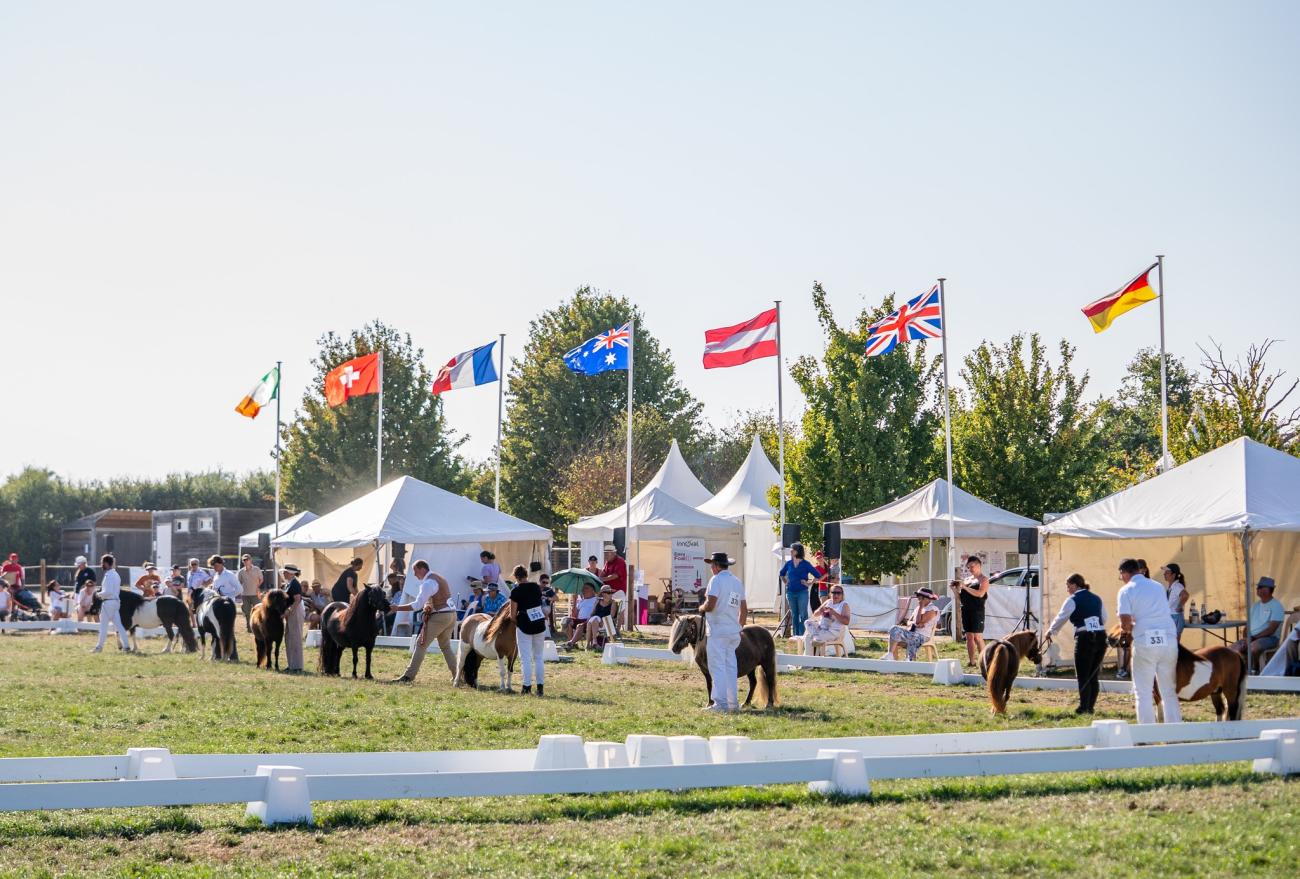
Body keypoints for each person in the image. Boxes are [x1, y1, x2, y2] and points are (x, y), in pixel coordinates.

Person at [1117, 557, 1181, 724]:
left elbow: (1125, 622)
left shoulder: (1125, 590)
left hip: (1145, 640)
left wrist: (1126, 628)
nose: (1121, 578)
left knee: (1143, 692)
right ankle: (1176, 732)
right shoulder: (1158, 585)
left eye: (1121, 575)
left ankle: (1146, 734)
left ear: (1124, 573)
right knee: (1169, 691)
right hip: (1168, 638)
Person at [1044, 573, 1108, 715]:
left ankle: (1084, 707)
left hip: (1085, 637)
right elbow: (1104, 618)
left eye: (1068, 586)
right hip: (1101, 636)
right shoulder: (1097, 598)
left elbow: (1062, 617)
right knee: (1093, 674)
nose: (1067, 589)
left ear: (1074, 585)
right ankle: (1090, 706)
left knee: (1083, 674)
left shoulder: (1073, 599)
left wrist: (1050, 631)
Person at [391, 560, 456, 684]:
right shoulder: (438, 577)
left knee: (421, 644)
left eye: (415, 571)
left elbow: (417, 605)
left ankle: (408, 676)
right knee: (446, 647)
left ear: (422, 569)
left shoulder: (428, 583)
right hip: (451, 615)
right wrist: (428, 606)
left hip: (440, 616)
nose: (415, 575)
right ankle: (458, 675)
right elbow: (433, 600)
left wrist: (398, 608)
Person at [701, 552, 747, 713]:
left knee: (717, 666)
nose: (711, 568)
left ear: (717, 566)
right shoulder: (737, 582)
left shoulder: (716, 580)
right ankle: (732, 703)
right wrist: (739, 627)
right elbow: (744, 609)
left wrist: (701, 607)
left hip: (718, 630)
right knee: (730, 667)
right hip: (733, 631)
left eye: (712, 565)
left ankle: (720, 703)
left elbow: (711, 604)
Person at [506, 564, 547, 696]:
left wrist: (518, 622)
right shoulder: (536, 587)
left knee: (525, 658)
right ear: (526, 575)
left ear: (516, 577)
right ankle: (540, 687)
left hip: (524, 625)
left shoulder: (516, 591)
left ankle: (526, 686)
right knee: (539, 657)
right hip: (539, 623)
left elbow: (512, 615)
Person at [1232, 576, 1285, 672]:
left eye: (1260, 587)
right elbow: (1247, 626)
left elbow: (1271, 630)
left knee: (1252, 648)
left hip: (1270, 638)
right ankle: (1237, 672)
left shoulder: (1277, 606)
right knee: (1233, 648)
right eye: (1258, 587)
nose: (1257, 589)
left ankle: (1253, 671)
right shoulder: (1255, 606)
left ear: (1268, 590)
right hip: (1252, 637)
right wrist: (1245, 637)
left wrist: (1252, 638)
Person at [954, 556, 990, 667]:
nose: (970, 569)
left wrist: (964, 587)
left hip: (977, 611)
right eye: (968, 567)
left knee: (978, 637)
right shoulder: (967, 580)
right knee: (969, 636)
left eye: (972, 566)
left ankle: (984, 661)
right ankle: (972, 661)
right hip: (966, 610)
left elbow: (980, 594)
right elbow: (961, 599)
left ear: (979, 566)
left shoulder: (984, 580)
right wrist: (955, 590)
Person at [888, 588, 940, 661]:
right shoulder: (917, 608)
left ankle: (909, 659)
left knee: (914, 638)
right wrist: (913, 623)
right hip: (912, 633)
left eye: (920, 598)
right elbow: (909, 621)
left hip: (923, 636)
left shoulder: (933, 609)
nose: (918, 600)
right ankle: (890, 656)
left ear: (926, 598)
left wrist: (920, 608)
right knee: (894, 630)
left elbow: (918, 621)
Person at [779, 543, 818, 636]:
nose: (791, 551)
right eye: (791, 550)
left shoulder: (806, 564)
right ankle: (796, 636)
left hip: (802, 592)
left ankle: (803, 635)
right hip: (790, 592)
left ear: (798, 551)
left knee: (803, 614)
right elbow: (781, 574)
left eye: (793, 550)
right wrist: (785, 582)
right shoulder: (789, 563)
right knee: (794, 615)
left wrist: (809, 583)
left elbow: (817, 575)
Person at [92, 554, 130, 653]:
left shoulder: (109, 575)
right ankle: (126, 646)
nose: (101, 565)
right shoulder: (116, 574)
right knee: (119, 626)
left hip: (108, 603)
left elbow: (107, 592)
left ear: (105, 563)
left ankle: (99, 647)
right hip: (115, 602)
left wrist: (97, 594)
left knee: (103, 626)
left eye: (102, 563)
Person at [804, 583, 851, 655]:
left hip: (833, 632)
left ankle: (808, 662)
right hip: (821, 628)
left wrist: (834, 613)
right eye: (833, 593)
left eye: (838, 593)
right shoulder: (828, 602)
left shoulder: (844, 605)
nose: (836, 595)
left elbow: (846, 621)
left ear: (842, 595)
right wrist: (821, 610)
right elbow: (815, 614)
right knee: (807, 622)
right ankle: (816, 639)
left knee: (808, 637)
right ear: (830, 594)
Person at [281, 564, 305, 672]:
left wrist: (289, 611)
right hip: (291, 611)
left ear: (290, 573)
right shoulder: (289, 583)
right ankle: (291, 665)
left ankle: (297, 666)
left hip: (295, 611)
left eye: (285, 572)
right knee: (289, 638)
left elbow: (297, 600)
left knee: (295, 638)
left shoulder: (295, 584)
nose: (283, 573)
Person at [1161, 563, 1189, 640]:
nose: (1164, 574)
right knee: (1171, 643)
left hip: (1175, 617)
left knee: (1174, 643)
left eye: (1167, 572)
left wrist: (1180, 606)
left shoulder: (1177, 586)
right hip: (1172, 617)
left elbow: (1185, 595)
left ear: (1173, 575)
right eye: (1165, 572)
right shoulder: (1172, 586)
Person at [238, 554, 264, 632]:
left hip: (255, 594)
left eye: (247, 560)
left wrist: (257, 586)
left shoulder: (257, 569)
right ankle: (249, 627)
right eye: (244, 560)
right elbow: (239, 582)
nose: (246, 561)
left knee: (258, 610)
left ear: (250, 560)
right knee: (247, 611)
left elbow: (261, 579)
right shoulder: (241, 572)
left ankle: (259, 626)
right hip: (245, 594)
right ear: (243, 562)